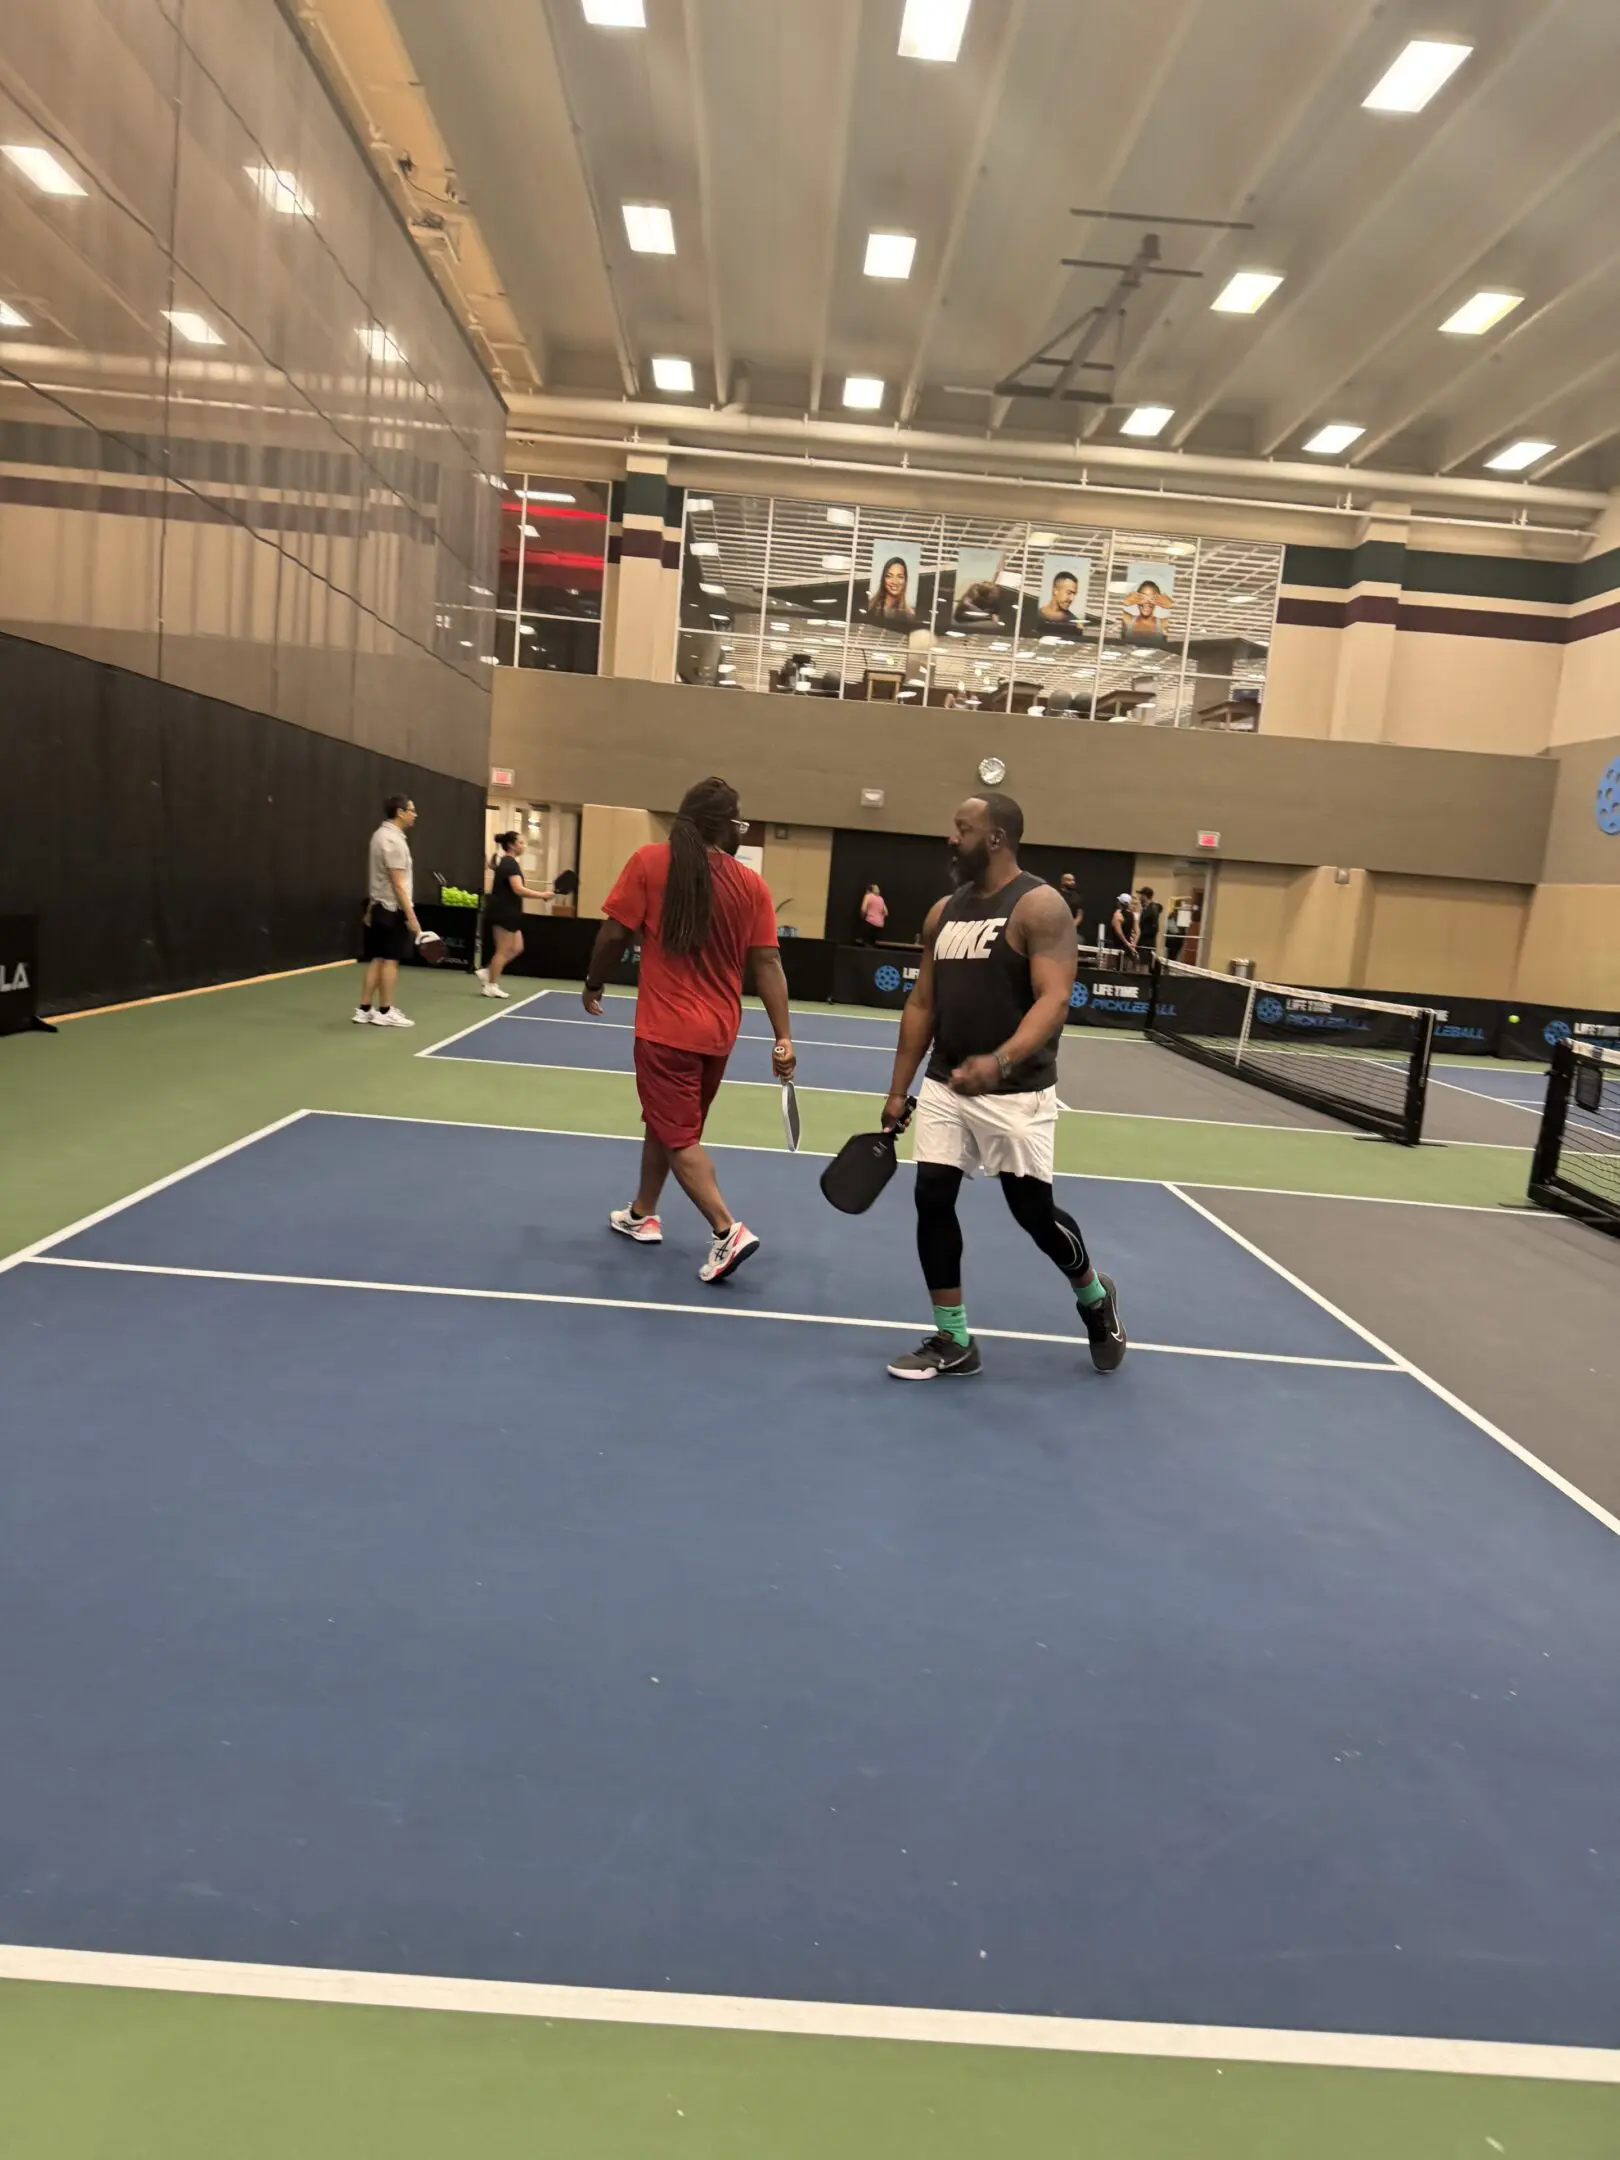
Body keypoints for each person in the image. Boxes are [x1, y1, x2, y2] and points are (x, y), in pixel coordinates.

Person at [877, 793, 1126, 1381]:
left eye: (960, 829)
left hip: (1016, 1092)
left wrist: (1002, 1062)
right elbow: (922, 1002)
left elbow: (1054, 1000)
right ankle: (954, 1338)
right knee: (931, 1196)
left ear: (994, 839)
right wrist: (897, 1090)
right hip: (946, 1081)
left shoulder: (1040, 907)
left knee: (1033, 1215)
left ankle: (1094, 1297)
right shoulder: (943, 913)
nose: (950, 839)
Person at [583, 777, 796, 1285]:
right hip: (719, 1034)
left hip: (665, 1030)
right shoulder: (751, 886)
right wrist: (782, 1035)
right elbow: (767, 964)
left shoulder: (650, 864)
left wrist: (593, 982)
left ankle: (727, 1231)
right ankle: (642, 1213)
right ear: (722, 826)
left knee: (679, 1136)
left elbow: (614, 932)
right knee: (669, 1122)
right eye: (739, 820)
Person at [354, 795, 422, 1028]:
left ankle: (364, 1009)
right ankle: (385, 1010)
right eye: (412, 810)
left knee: (378, 958)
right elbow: (397, 883)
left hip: (378, 907)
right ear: (400, 812)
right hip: (391, 909)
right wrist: (411, 917)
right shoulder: (392, 841)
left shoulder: (380, 835)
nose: (415, 814)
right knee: (390, 961)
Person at [478, 832, 547, 998]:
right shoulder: (510, 864)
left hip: (511, 912)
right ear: (511, 845)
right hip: (503, 913)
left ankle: (488, 972)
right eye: (521, 843)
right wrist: (542, 894)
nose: (524, 846)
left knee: (517, 947)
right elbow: (518, 889)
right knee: (502, 950)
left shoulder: (507, 863)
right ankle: (490, 985)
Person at [865, 555, 916, 628]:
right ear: (883, 579)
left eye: (900, 577)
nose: (894, 582)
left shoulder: (910, 616)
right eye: (889, 576)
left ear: (905, 580)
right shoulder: (870, 607)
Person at [1036, 569, 1082, 636]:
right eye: (1069, 593)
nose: (1072, 599)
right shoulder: (1036, 616)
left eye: (1074, 594)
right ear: (1055, 591)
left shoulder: (1075, 624)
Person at [1106, 891, 1139, 968]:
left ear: (1119, 903)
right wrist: (1133, 944)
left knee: (1114, 968)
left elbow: (1119, 933)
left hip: (1117, 947)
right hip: (1127, 949)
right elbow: (1137, 931)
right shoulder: (1132, 915)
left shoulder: (1117, 915)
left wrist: (1127, 943)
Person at [1136, 885, 1163, 962]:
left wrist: (1140, 933)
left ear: (1144, 896)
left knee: (1144, 967)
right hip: (1142, 944)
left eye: (1141, 895)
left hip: (1147, 945)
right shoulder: (1146, 909)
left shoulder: (1152, 910)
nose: (1139, 897)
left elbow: (1155, 929)